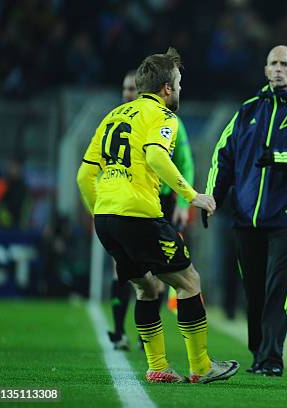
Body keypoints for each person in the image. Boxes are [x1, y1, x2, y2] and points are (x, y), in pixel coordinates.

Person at [76, 48, 238, 384]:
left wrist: (101, 212)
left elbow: (83, 176)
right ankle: (201, 367)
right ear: (166, 88)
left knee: (147, 289)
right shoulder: (165, 117)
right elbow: (156, 157)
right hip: (140, 214)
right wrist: (193, 196)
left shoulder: (114, 116)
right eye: (178, 83)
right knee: (189, 282)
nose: (179, 89)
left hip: (106, 218)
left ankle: (158, 366)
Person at [205, 45, 287, 376]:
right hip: (246, 217)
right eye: (273, 63)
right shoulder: (246, 111)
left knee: (278, 290)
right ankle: (258, 352)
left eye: (285, 64)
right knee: (253, 291)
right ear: (265, 70)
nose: (278, 69)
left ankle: (272, 357)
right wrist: (213, 196)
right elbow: (222, 156)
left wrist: (278, 157)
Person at [107, 70, 195, 350]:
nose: (127, 93)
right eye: (124, 88)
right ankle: (120, 331)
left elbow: (185, 162)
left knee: (156, 276)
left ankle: (147, 338)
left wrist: (183, 203)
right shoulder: (118, 120)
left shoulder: (167, 121)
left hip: (161, 203)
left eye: (132, 88)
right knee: (123, 270)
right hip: (128, 202)